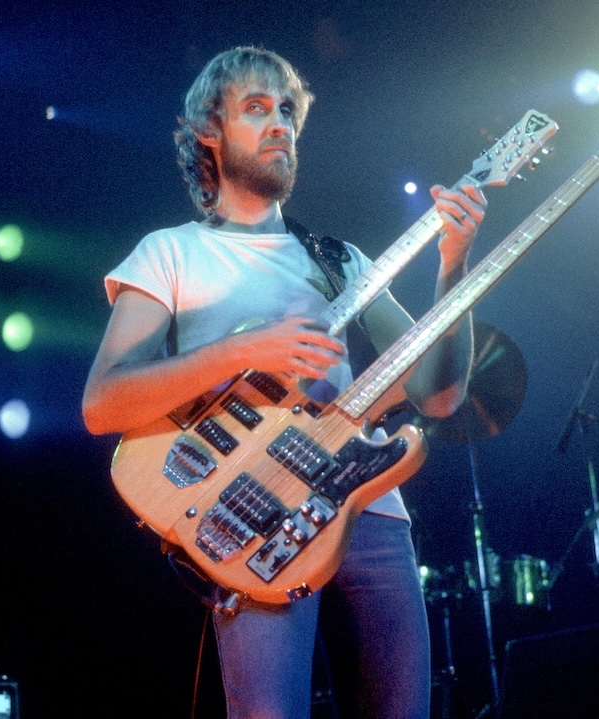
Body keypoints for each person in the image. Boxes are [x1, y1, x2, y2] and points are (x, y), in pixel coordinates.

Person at [81, 46, 486, 719]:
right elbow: (103, 403)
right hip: (251, 512)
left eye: (288, 111)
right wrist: (244, 350)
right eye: (257, 108)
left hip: (369, 512)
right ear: (208, 132)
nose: (280, 124)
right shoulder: (170, 252)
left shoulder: (341, 260)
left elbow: (440, 395)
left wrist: (455, 264)